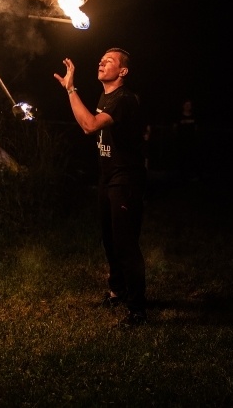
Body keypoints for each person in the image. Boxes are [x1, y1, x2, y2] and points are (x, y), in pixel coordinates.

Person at [54, 47, 147, 327]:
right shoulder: (105, 96)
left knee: (125, 244)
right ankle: (117, 291)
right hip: (107, 179)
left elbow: (89, 126)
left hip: (125, 180)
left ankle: (138, 310)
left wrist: (71, 90)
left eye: (110, 60)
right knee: (109, 240)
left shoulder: (123, 99)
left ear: (123, 71)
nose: (101, 62)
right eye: (101, 59)